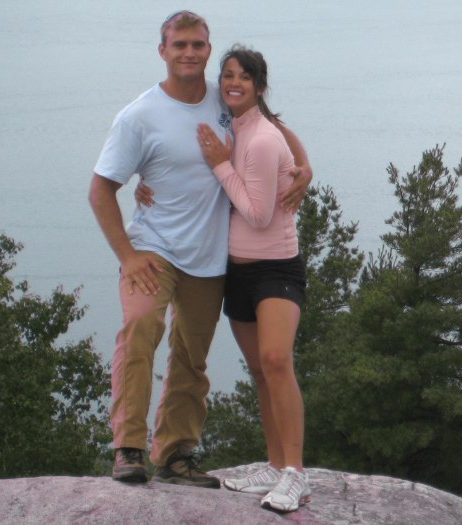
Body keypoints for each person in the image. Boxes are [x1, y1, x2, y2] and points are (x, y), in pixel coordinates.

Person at [88, 11, 311, 488]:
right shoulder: (139, 115)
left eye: (198, 45)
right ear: (163, 50)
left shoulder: (223, 99)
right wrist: (128, 255)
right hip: (154, 249)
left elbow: (273, 127)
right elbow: (100, 189)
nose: (189, 52)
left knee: (192, 357)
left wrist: (304, 166)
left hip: (210, 256)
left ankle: (175, 455)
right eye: (180, 44)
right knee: (141, 328)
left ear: (208, 50)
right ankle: (128, 448)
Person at [199, 45, 310, 513]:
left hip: (275, 268)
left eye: (244, 77)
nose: (233, 83)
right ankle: (273, 461)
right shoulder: (231, 128)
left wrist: (220, 164)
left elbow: (260, 214)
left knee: (276, 361)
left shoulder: (260, 138)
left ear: (259, 87)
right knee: (260, 372)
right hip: (237, 272)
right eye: (227, 75)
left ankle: (295, 474)